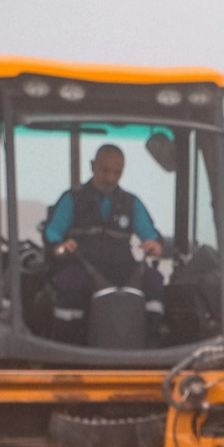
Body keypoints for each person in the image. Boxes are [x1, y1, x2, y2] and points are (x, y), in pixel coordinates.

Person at [43, 144, 166, 345]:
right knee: (68, 281)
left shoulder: (132, 202)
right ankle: (67, 347)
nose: (110, 178)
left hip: (122, 268)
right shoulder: (72, 199)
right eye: (105, 170)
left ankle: (152, 342)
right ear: (92, 166)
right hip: (81, 266)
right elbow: (52, 232)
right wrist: (59, 246)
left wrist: (154, 245)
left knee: (154, 280)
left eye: (116, 172)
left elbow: (151, 235)